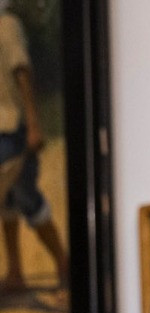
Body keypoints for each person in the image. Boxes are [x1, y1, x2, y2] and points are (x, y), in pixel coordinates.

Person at [0, 0, 67, 294]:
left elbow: (22, 72)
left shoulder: (7, 26)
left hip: (12, 126)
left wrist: (33, 123)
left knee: (26, 196)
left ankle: (63, 264)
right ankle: (15, 272)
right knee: (8, 201)